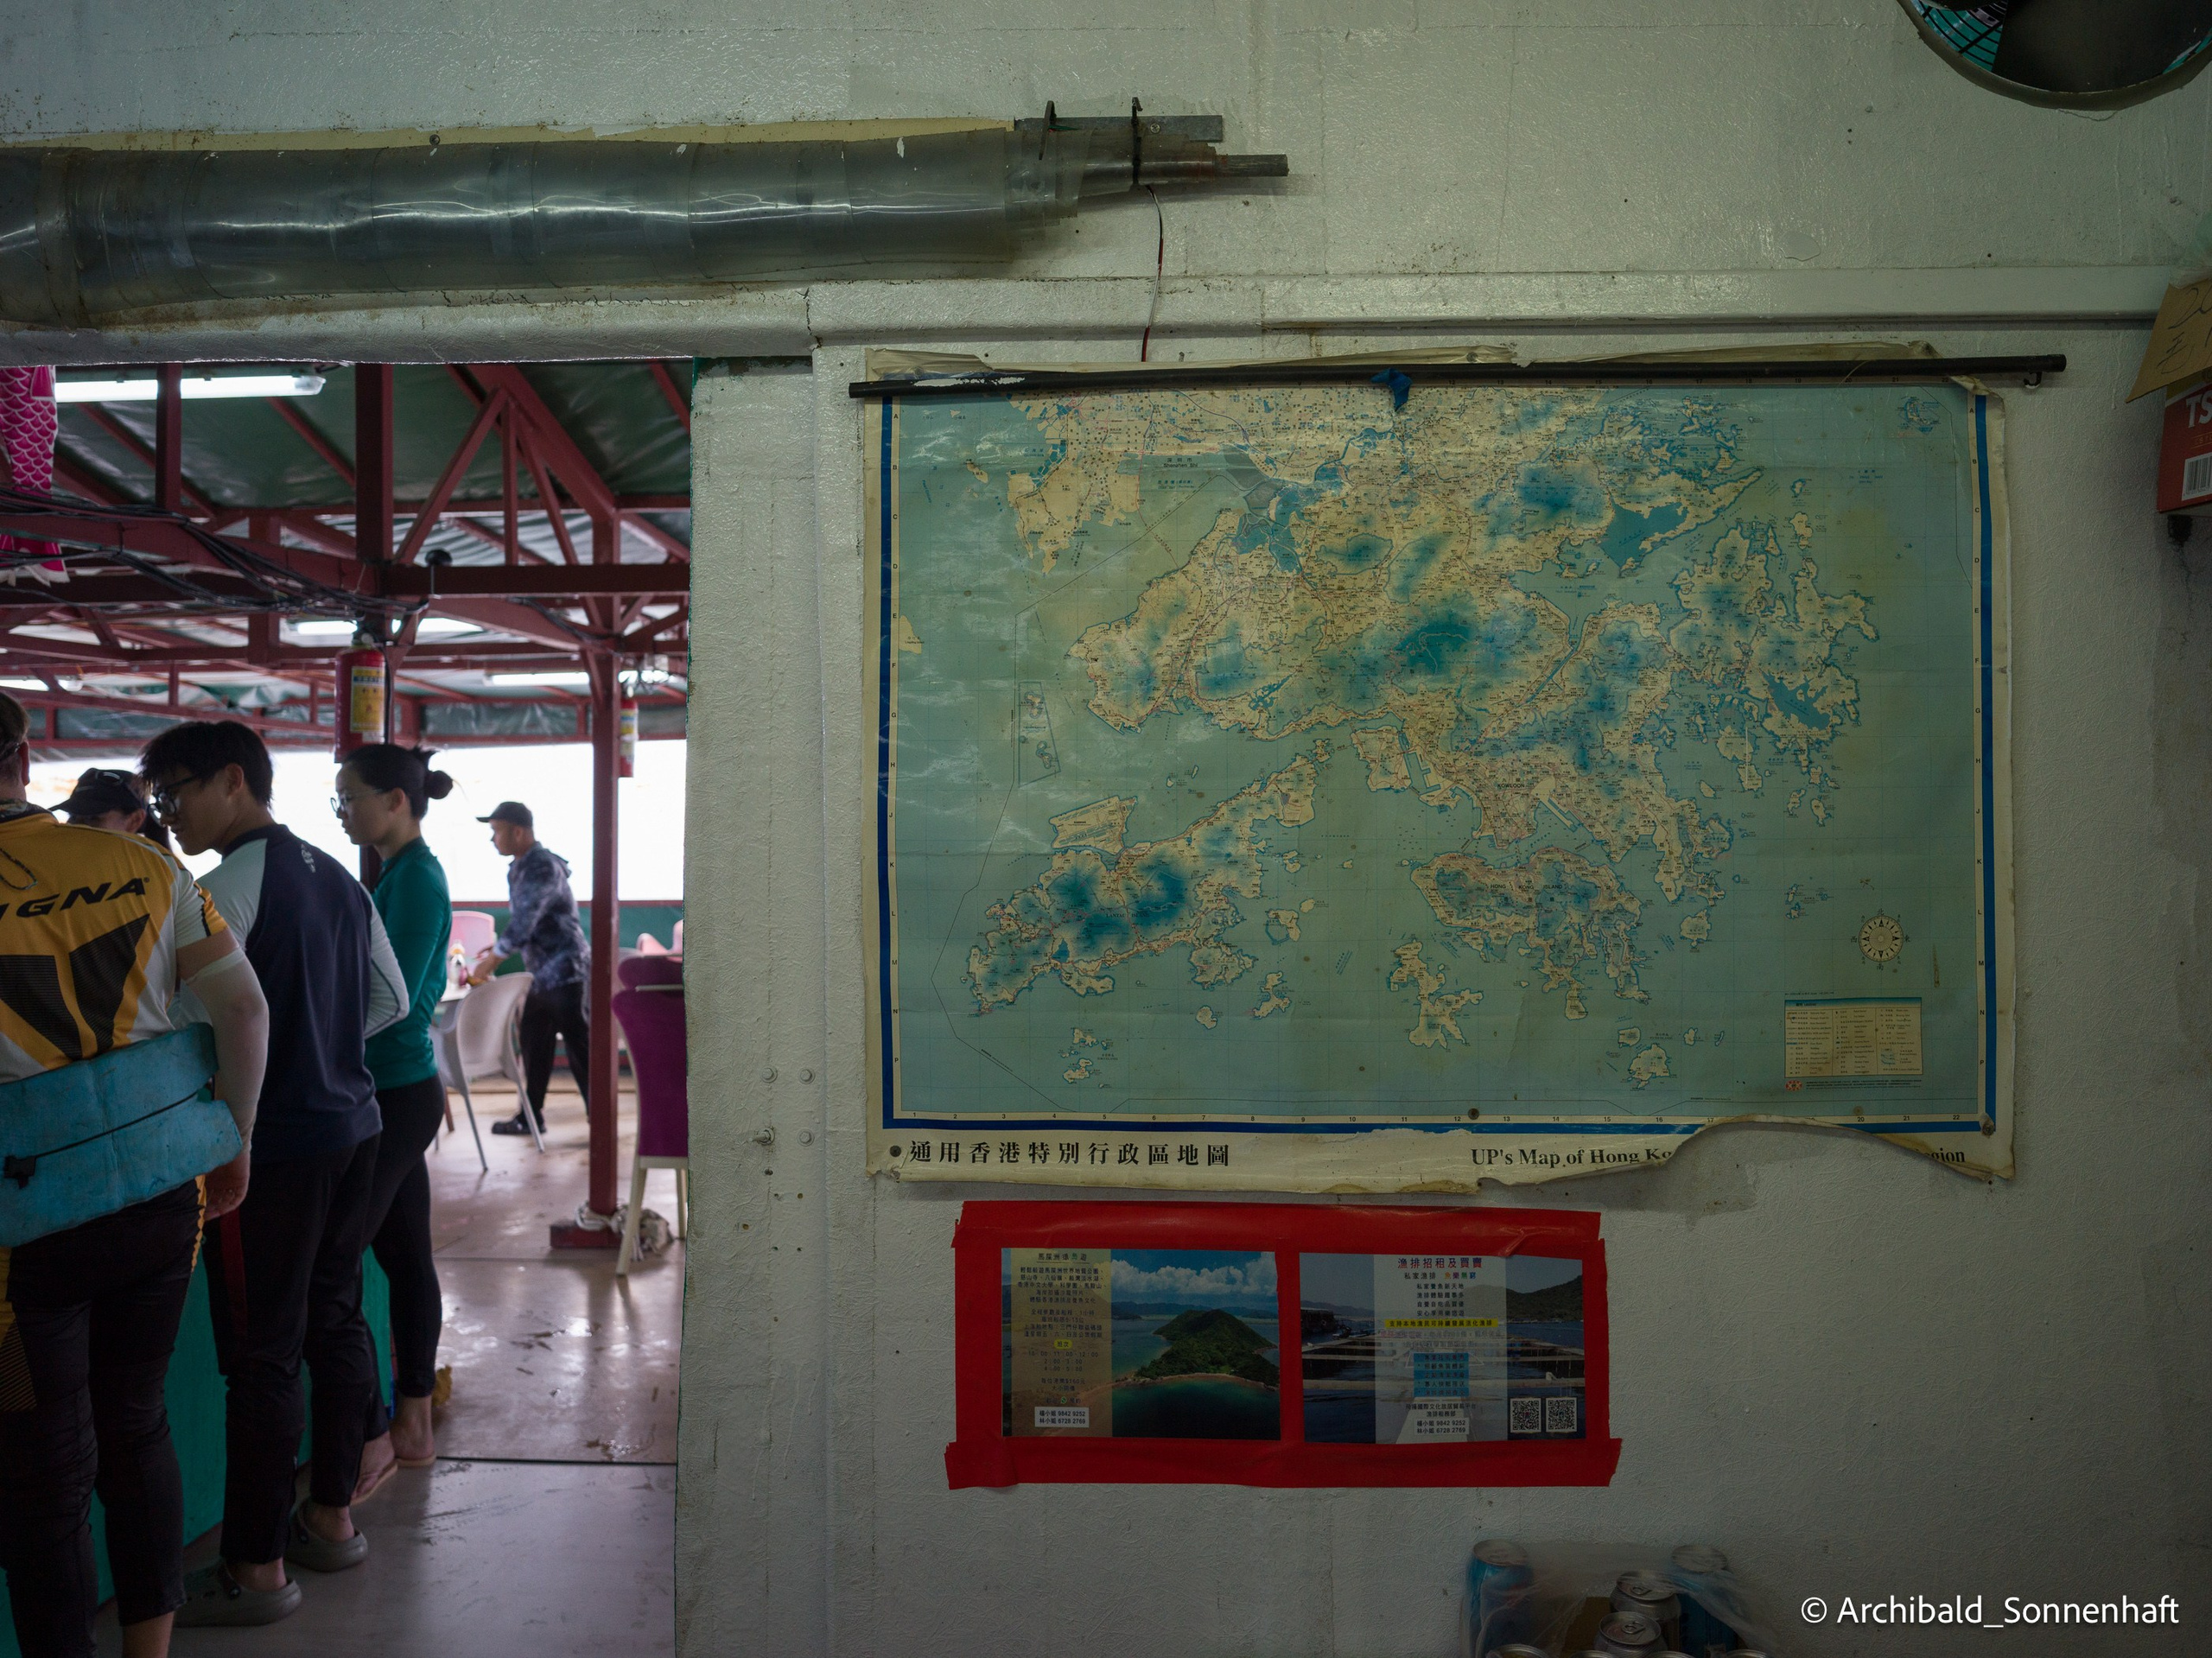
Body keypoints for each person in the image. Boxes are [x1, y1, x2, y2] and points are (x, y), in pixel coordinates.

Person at [0, 692, 270, 1658]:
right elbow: (243, 1012)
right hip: (159, 1193)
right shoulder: (146, 863)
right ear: (25, 757)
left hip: (22, 1229)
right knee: (136, 1421)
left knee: (43, 1468)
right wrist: (230, 1136)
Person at [140, 721, 407, 1629]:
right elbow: (392, 1000)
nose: (167, 814)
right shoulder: (340, 876)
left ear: (229, 779)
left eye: (174, 792)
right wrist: (322, 1050)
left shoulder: (218, 889)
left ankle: (254, 1566)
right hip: (352, 1127)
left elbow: (174, 1016)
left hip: (274, 1148)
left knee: (260, 1351)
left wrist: (270, 1065)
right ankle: (330, 1516)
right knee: (334, 1317)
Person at [331, 744, 453, 1496]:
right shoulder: (397, 873)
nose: (344, 809)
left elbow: (391, 998)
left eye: (351, 797)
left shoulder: (415, 880)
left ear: (396, 802)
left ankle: (372, 1434)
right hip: (395, 1088)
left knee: (337, 1257)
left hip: (398, 1092)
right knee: (405, 1256)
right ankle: (410, 1424)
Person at [468, 802, 589, 1137]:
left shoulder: (540, 866)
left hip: (565, 971)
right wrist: (495, 951)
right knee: (535, 1045)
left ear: (518, 831)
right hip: (542, 974)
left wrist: (493, 959)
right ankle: (530, 1117)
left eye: (496, 831)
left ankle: (600, 1116)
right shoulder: (520, 867)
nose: (493, 839)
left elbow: (524, 921)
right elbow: (526, 926)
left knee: (580, 1047)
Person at [55, 765, 170, 850]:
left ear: (134, 821)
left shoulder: (157, 875)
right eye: (73, 817)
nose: (76, 827)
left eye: (92, 818)